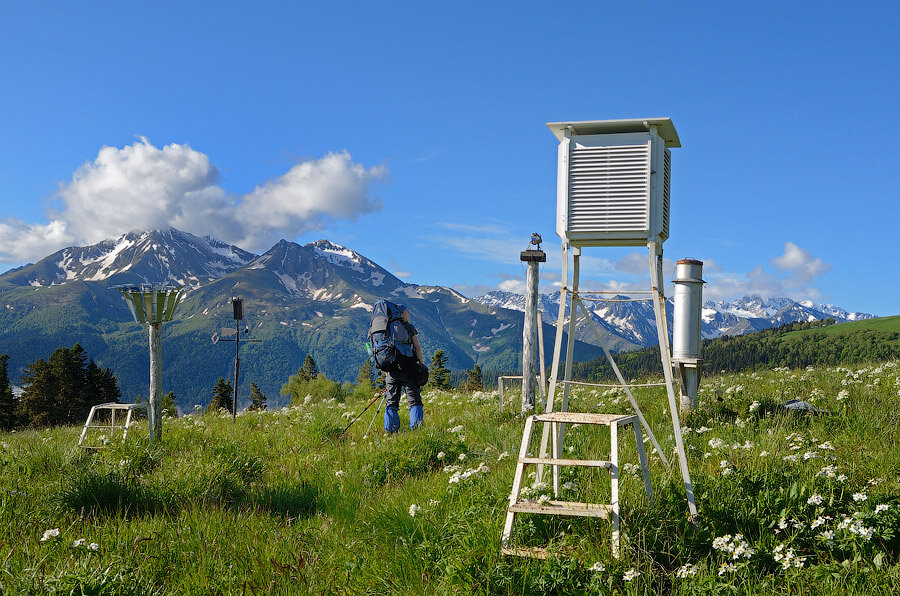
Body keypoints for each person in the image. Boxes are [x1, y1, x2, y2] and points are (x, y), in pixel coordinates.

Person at [384, 305, 425, 432]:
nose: (409, 313)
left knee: (391, 402)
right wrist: (421, 365)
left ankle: (391, 431)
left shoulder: (386, 328)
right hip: (409, 368)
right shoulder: (409, 327)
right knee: (414, 400)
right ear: (401, 314)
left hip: (391, 370)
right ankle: (417, 430)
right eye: (407, 311)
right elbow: (417, 347)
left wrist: (386, 369)